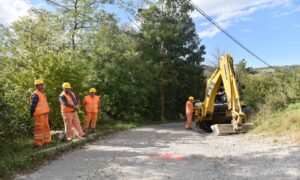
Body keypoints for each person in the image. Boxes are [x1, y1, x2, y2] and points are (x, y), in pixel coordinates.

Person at [30, 79, 51, 147]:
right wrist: (32, 114)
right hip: (39, 115)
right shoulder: (35, 94)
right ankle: (38, 143)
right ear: (37, 86)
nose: (43, 85)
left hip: (45, 114)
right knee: (39, 129)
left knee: (46, 127)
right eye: (41, 84)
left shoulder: (42, 93)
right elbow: (33, 106)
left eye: (43, 84)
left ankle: (46, 141)